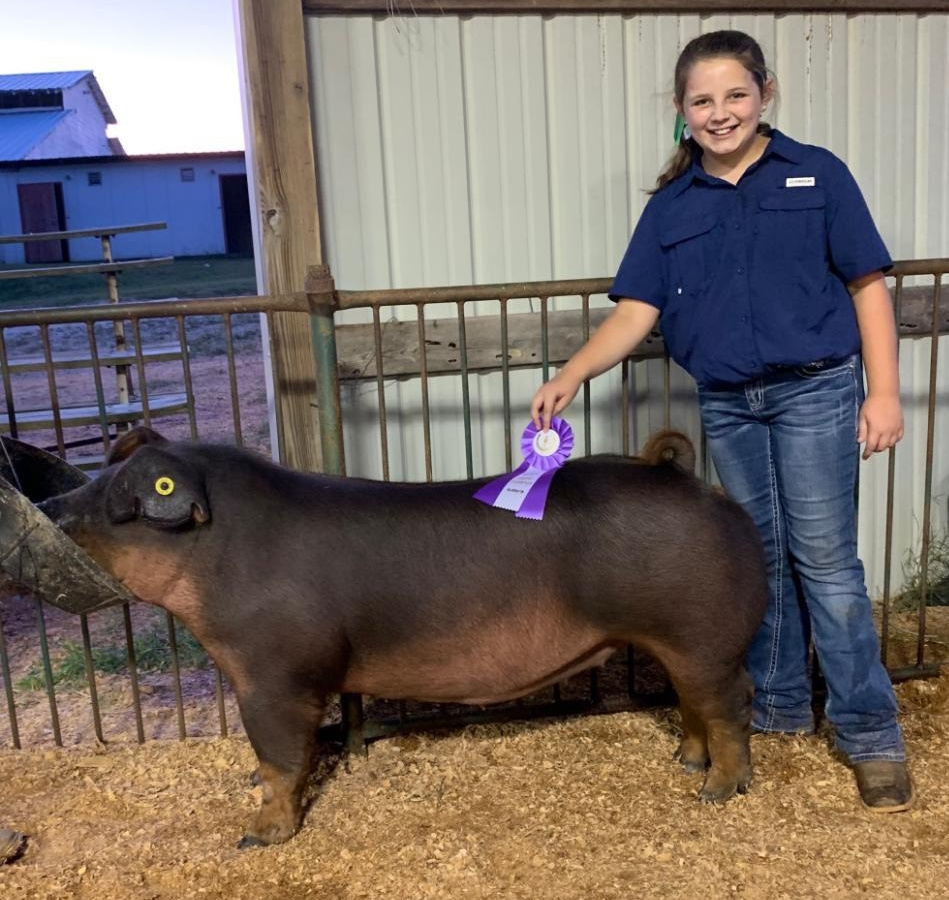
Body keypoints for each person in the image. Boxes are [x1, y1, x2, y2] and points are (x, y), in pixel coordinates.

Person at [531, 29, 912, 812]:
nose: (719, 112)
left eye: (734, 95)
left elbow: (867, 285)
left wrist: (883, 392)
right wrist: (572, 371)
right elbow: (636, 311)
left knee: (827, 564)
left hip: (815, 391)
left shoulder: (817, 174)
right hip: (730, 403)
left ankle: (870, 733)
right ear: (681, 112)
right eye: (702, 101)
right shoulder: (672, 206)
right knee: (757, 560)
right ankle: (775, 707)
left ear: (764, 93)